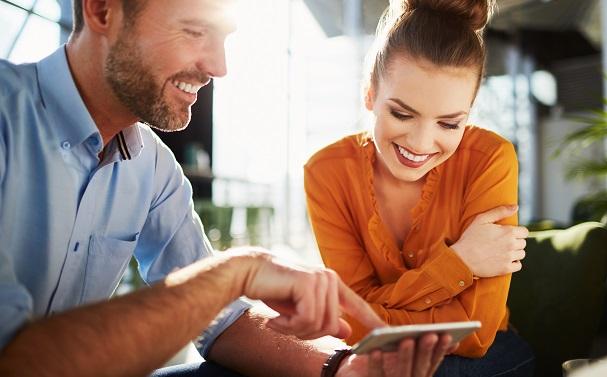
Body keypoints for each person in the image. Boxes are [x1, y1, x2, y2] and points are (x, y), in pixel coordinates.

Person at [0, 0, 458, 376]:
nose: (218, 66)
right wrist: (236, 271)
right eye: (196, 32)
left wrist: (344, 368)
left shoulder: (153, 166)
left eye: (224, 39)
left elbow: (220, 321)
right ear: (102, 11)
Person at [304, 0, 534, 376]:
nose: (421, 143)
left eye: (449, 123)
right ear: (370, 94)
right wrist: (459, 264)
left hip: (486, 358)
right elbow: (352, 321)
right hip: (380, 361)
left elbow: (475, 336)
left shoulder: (489, 159)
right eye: (402, 113)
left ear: (470, 111)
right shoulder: (325, 173)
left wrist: (372, 311)